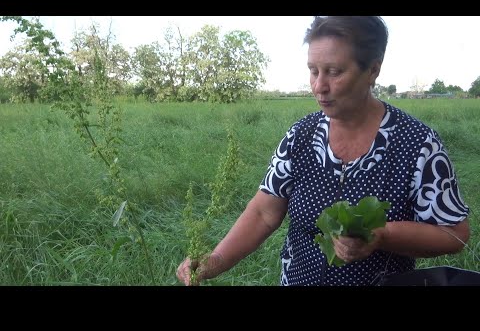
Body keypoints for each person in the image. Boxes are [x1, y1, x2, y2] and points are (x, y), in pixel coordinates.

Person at [176, 16, 471, 286]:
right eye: (313, 71)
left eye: (334, 72)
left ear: (373, 70)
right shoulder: (300, 136)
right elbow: (264, 213)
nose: (319, 86)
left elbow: (455, 233)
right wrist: (215, 261)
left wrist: (382, 235)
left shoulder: (417, 144)